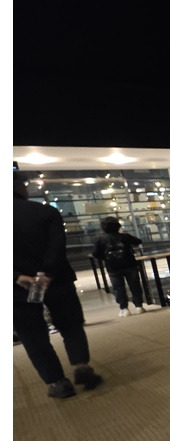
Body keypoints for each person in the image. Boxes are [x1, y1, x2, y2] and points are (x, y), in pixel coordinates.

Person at [13, 171, 103, 399]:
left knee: (33, 335)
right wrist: (46, 274)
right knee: (70, 325)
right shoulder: (46, 212)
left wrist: (17, 276)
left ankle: (57, 383)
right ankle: (81, 366)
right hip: (56, 280)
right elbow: (57, 246)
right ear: (20, 188)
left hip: (19, 288)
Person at [93, 216, 146, 318]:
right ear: (117, 225)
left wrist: (106, 258)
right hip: (129, 264)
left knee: (118, 288)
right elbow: (138, 241)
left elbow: (95, 253)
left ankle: (124, 308)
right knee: (135, 285)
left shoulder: (100, 239)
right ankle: (139, 306)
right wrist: (124, 234)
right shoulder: (124, 236)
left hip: (113, 267)